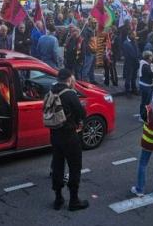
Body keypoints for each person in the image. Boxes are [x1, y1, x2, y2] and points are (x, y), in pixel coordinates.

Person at [49, 69, 88, 211]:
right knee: (75, 167)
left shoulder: (51, 91)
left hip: (55, 135)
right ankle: (74, 200)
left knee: (58, 166)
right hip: (70, 135)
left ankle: (58, 198)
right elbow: (82, 113)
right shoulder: (70, 94)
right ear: (69, 79)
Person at [138, 51, 153, 118]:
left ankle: (144, 114)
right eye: (151, 56)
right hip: (146, 86)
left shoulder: (145, 64)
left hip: (145, 85)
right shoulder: (146, 66)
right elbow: (151, 75)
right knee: (145, 102)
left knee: (146, 102)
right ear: (149, 57)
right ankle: (142, 116)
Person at [122, 32, 140, 96]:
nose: (134, 36)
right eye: (133, 35)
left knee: (134, 77)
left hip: (135, 62)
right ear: (129, 35)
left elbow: (137, 50)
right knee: (128, 77)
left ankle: (134, 89)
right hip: (129, 63)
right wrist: (135, 58)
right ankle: (127, 91)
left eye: (135, 34)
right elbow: (130, 54)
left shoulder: (134, 41)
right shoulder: (126, 43)